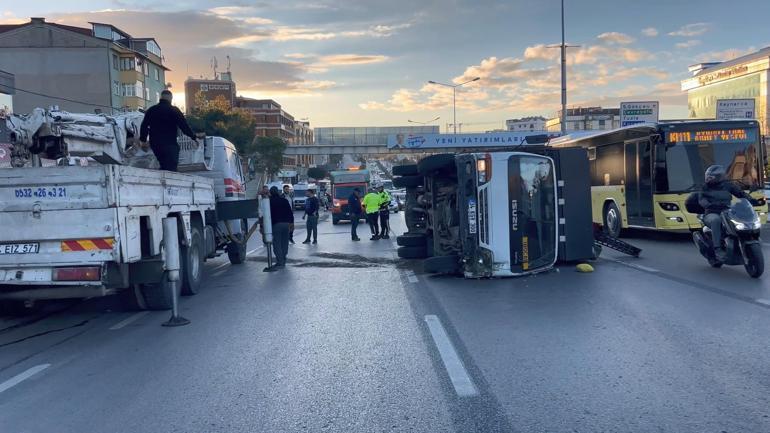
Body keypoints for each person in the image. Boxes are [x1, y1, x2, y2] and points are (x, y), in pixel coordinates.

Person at [697, 165, 759, 260]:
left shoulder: (728, 185)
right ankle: (717, 248)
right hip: (711, 212)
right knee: (716, 220)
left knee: (741, 219)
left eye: (711, 177)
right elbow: (701, 199)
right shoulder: (705, 187)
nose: (708, 179)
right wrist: (708, 204)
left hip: (727, 211)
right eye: (707, 176)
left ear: (719, 177)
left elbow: (740, 194)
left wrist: (751, 200)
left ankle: (746, 238)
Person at [139, 90, 197, 171]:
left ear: (161, 97)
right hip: (170, 144)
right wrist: (194, 137)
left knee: (164, 164)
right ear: (170, 98)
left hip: (156, 144)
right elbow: (184, 127)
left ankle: (162, 177)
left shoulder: (152, 110)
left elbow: (144, 126)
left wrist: (143, 141)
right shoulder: (174, 110)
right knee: (171, 168)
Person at [265, 186, 294, 271]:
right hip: (286, 224)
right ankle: (283, 259)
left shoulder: (269, 202)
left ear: (270, 193)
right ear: (278, 192)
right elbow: (290, 212)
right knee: (284, 242)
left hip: (276, 225)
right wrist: (292, 223)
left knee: (277, 244)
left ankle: (280, 262)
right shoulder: (284, 200)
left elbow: (266, 215)